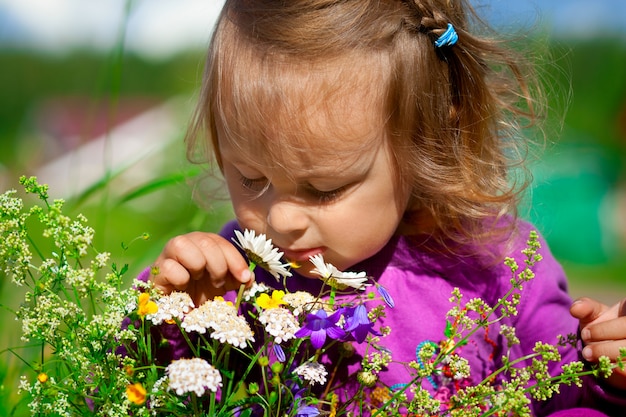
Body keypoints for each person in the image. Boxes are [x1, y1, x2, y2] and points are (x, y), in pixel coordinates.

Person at [149, 0, 626, 415]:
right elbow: (133, 387)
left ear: (429, 138)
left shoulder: (496, 264)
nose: (280, 220)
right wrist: (168, 318)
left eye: (324, 187)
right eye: (251, 178)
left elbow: (561, 388)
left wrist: (609, 366)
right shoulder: (227, 278)